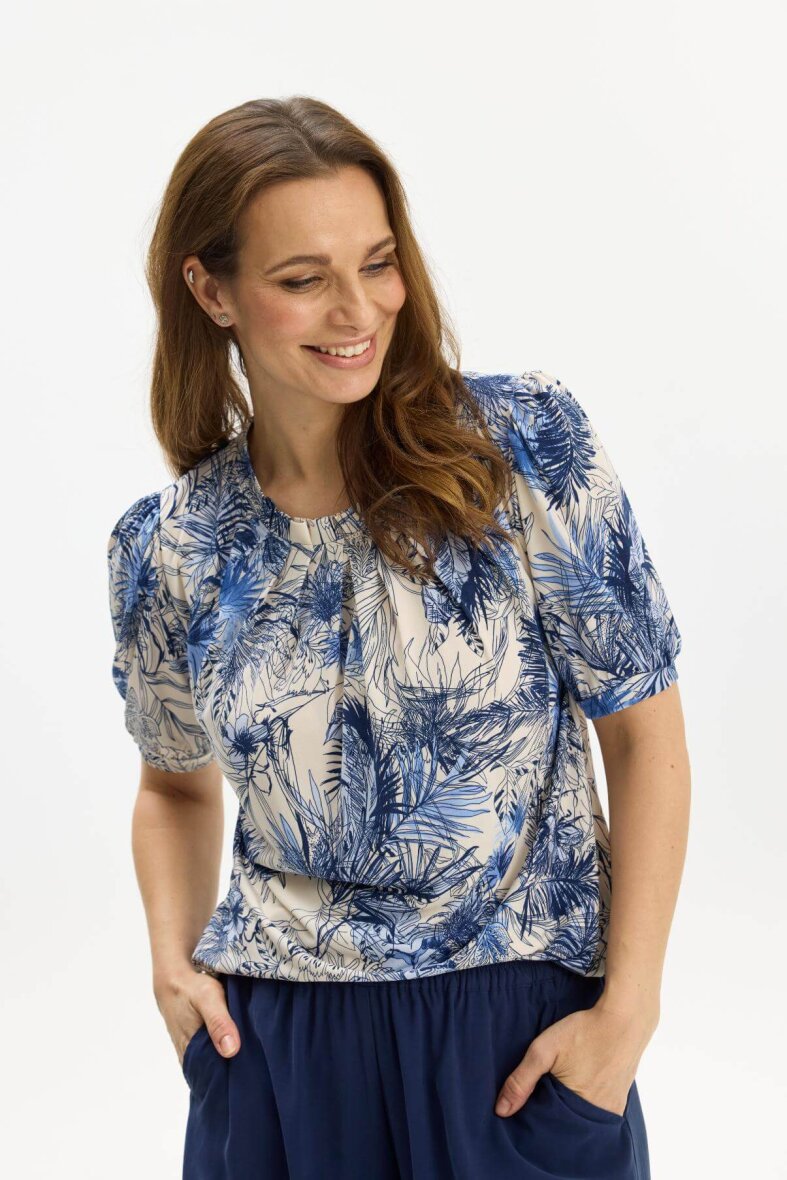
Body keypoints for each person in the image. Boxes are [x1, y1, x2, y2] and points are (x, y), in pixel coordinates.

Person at [106, 96, 691, 1180]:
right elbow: (172, 788)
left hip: (513, 1042)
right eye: (303, 278)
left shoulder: (518, 451)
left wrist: (628, 1013)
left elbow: (643, 732)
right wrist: (170, 968)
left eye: (377, 263)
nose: (358, 308)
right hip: (277, 1053)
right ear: (211, 290)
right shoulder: (173, 545)